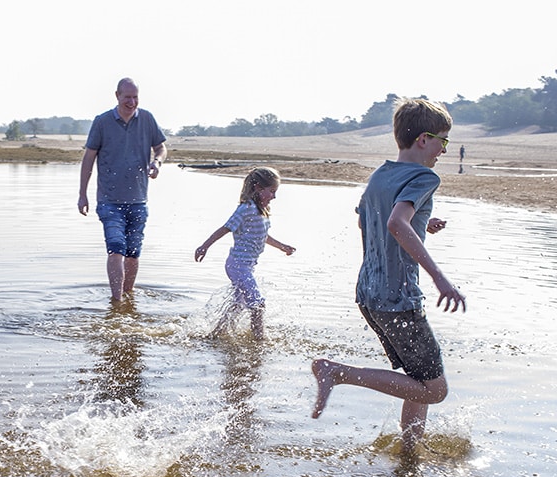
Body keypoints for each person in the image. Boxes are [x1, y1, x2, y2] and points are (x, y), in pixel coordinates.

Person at [311, 98, 466, 454]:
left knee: (417, 380)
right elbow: (396, 223)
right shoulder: (425, 176)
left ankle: (410, 450)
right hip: (398, 298)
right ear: (423, 139)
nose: (445, 148)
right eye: (443, 140)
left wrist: (423, 223)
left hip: (369, 294)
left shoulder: (380, 174)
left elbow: (369, 221)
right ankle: (338, 373)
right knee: (435, 390)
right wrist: (440, 278)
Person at [78, 77, 167, 303]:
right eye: (127, 97)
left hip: (138, 200)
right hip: (109, 201)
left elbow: (161, 148)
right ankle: (117, 302)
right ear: (117, 96)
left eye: (135, 96)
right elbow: (88, 158)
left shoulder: (147, 119)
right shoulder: (102, 122)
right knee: (116, 247)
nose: (132, 101)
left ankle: (128, 295)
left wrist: (157, 162)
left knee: (133, 253)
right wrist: (82, 194)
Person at [194, 167, 295, 339]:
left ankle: (214, 336)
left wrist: (282, 246)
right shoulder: (245, 208)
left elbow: (263, 236)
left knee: (237, 306)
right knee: (258, 305)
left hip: (246, 266)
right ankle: (259, 341)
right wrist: (204, 246)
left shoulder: (261, 211)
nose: (274, 197)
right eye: (271, 191)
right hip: (237, 265)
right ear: (257, 187)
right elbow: (225, 228)